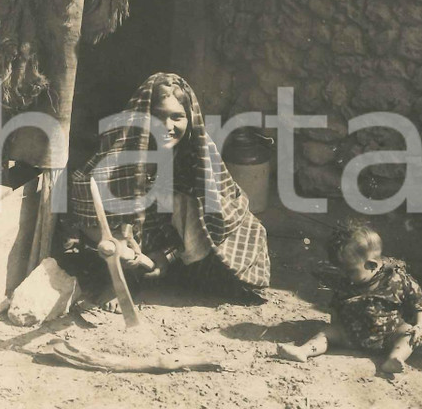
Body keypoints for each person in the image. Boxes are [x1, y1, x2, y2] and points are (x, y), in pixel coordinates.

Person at [57, 72, 270, 307]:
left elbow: (223, 206)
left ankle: (171, 270)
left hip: (175, 242)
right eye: (157, 117)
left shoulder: (196, 152)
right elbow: (85, 191)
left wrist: (169, 254)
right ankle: (127, 278)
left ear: (189, 119)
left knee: (203, 208)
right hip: (131, 238)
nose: (167, 126)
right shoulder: (124, 148)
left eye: (177, 117)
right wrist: (119, 245)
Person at [276, 223, 422, 374]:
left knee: (408, 334)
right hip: (351, 333)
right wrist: (337, 326)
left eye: (349, 271)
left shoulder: (397, 279)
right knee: (327, 332)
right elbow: (336, 305)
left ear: (371, 265)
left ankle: (395, 358)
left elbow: (419, 304)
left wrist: (420, 326)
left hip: (388, 334)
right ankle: (304, 351)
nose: (344, 275)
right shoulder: (348, 281)